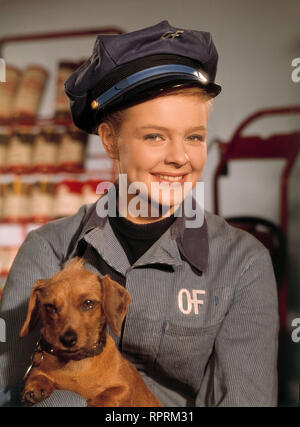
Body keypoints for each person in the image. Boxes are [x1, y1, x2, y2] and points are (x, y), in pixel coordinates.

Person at [0, 20, 279, 407]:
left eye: (194, 137)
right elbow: (10, 389)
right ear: (110, 141)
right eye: (155, 136)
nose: (180, 157)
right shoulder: (47, 249)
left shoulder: (242, 263)